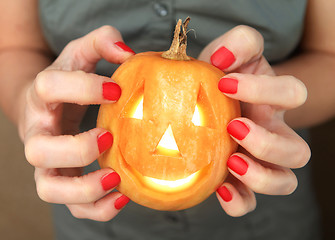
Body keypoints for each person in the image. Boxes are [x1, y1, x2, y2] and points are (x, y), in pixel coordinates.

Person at [0, 0, 333, 239]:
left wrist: (264, 106)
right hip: (91, 224)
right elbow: (13, 47)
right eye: (140, 111)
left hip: (269, 224)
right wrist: (31, 104)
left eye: (198, 118)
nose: (166, 146)